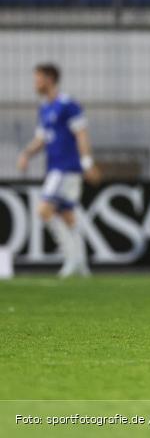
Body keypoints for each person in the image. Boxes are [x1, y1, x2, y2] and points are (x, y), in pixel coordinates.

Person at [16, 63, 100, 278]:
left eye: (38, 79)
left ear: (49, 79)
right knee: (68, 215)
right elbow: (41, 139)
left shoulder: (67, 105)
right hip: (55, 167)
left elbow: (81, 134)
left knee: (43, 211)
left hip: (66, 168)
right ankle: (81, 264)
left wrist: (87, 163)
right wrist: (26, 154)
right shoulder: (44, 108)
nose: (35, 83)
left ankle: (71, 259)